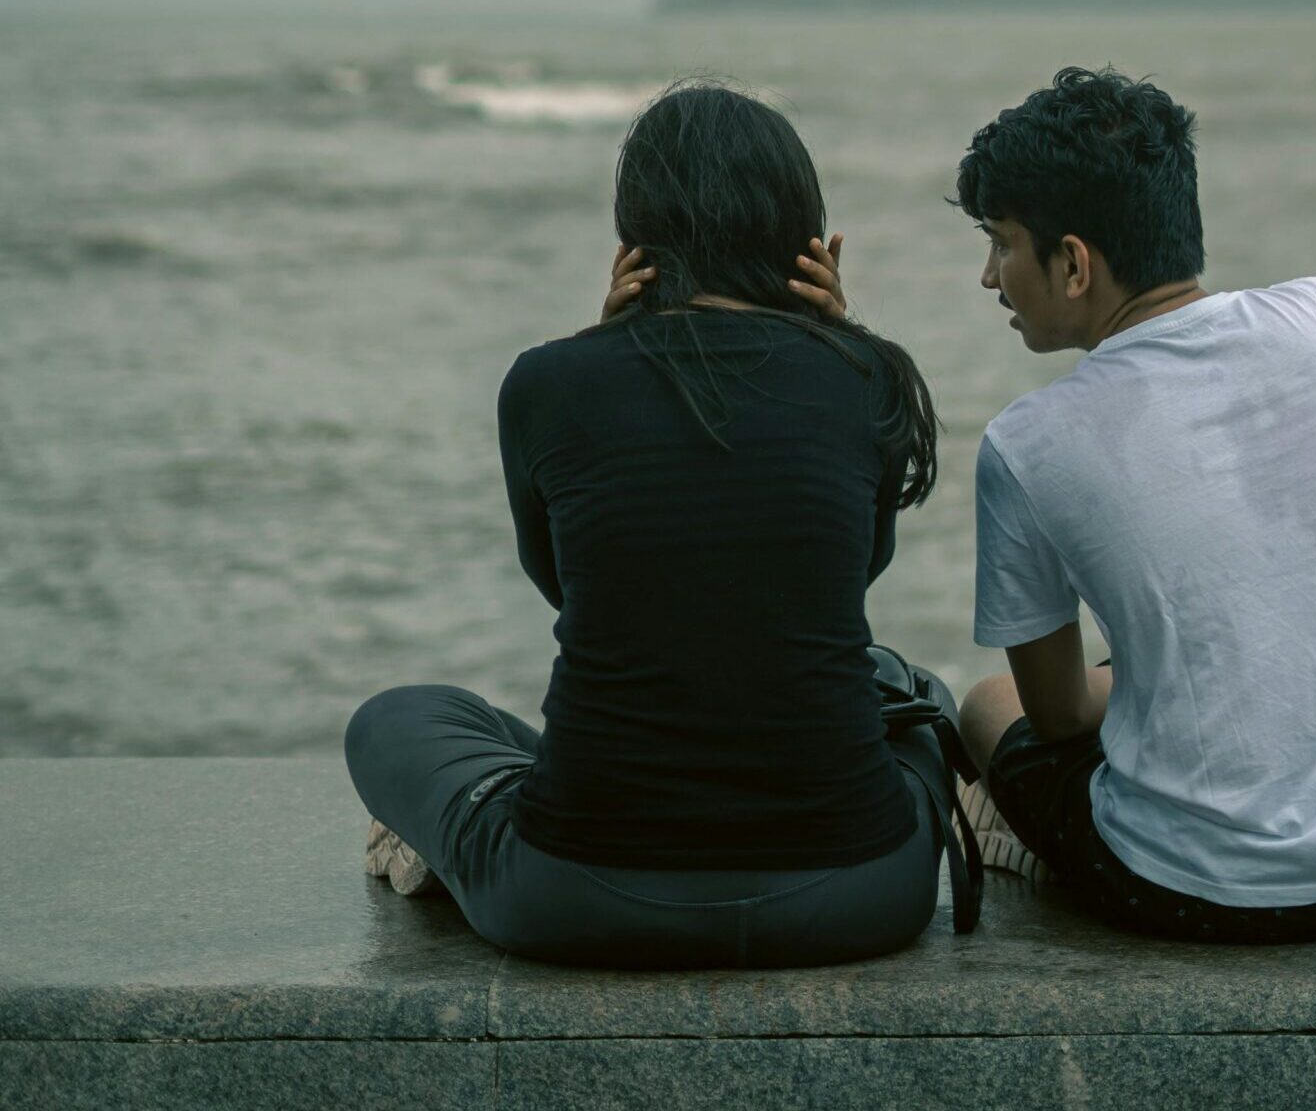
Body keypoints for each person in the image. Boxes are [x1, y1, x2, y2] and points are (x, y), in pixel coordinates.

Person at [344, 81, 963, 968]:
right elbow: (838, 578)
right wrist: (843, 342)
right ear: (807, 243)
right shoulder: (867, 379)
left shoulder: (545, 384)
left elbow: (578, 588)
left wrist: (600, 358)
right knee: (916, 692)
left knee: (395, 718)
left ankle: (484, 829)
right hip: (858, 898)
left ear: (634, 243)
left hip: (571, 898)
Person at [954, 66, 1316, 940]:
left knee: (985, 705)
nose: (989, 277)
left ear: (1075, 264)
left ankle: (1037, 853)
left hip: (1195, 901)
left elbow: (1058, 716)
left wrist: (1146, 670)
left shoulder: (1025, 445)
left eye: (1002, 244)